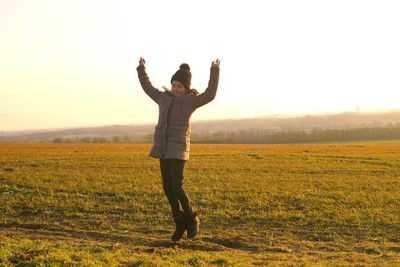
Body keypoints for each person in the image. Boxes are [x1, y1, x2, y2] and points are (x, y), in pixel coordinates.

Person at [136, 57, 220, 241]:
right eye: (174, 85)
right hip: (163, 149)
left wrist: (214, 71)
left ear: (186, 89)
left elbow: (210, 93)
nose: (175, 89)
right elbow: (147, 87)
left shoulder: (190, 101)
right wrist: (141, 69)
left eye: (179, 86)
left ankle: (192, 218)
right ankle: (179, 220)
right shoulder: (163, 98)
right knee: (167, 188)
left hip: (178, 149)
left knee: (178, 187)